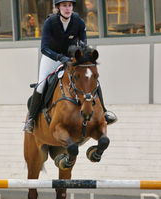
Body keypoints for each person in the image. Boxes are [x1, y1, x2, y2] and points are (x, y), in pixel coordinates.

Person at [23, 0, 117, 133]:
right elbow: (44, 48)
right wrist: (60, 58)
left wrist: (82, 51)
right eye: (64, 6)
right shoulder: (50, 22)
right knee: (41, 84)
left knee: (91, 79)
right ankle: (31, 119)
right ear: (58, 7)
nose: (67, 9)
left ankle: (105, 112)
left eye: (70, 6)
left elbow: (83, 43)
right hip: (52, 58)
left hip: (71, 58)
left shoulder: (78, 21)